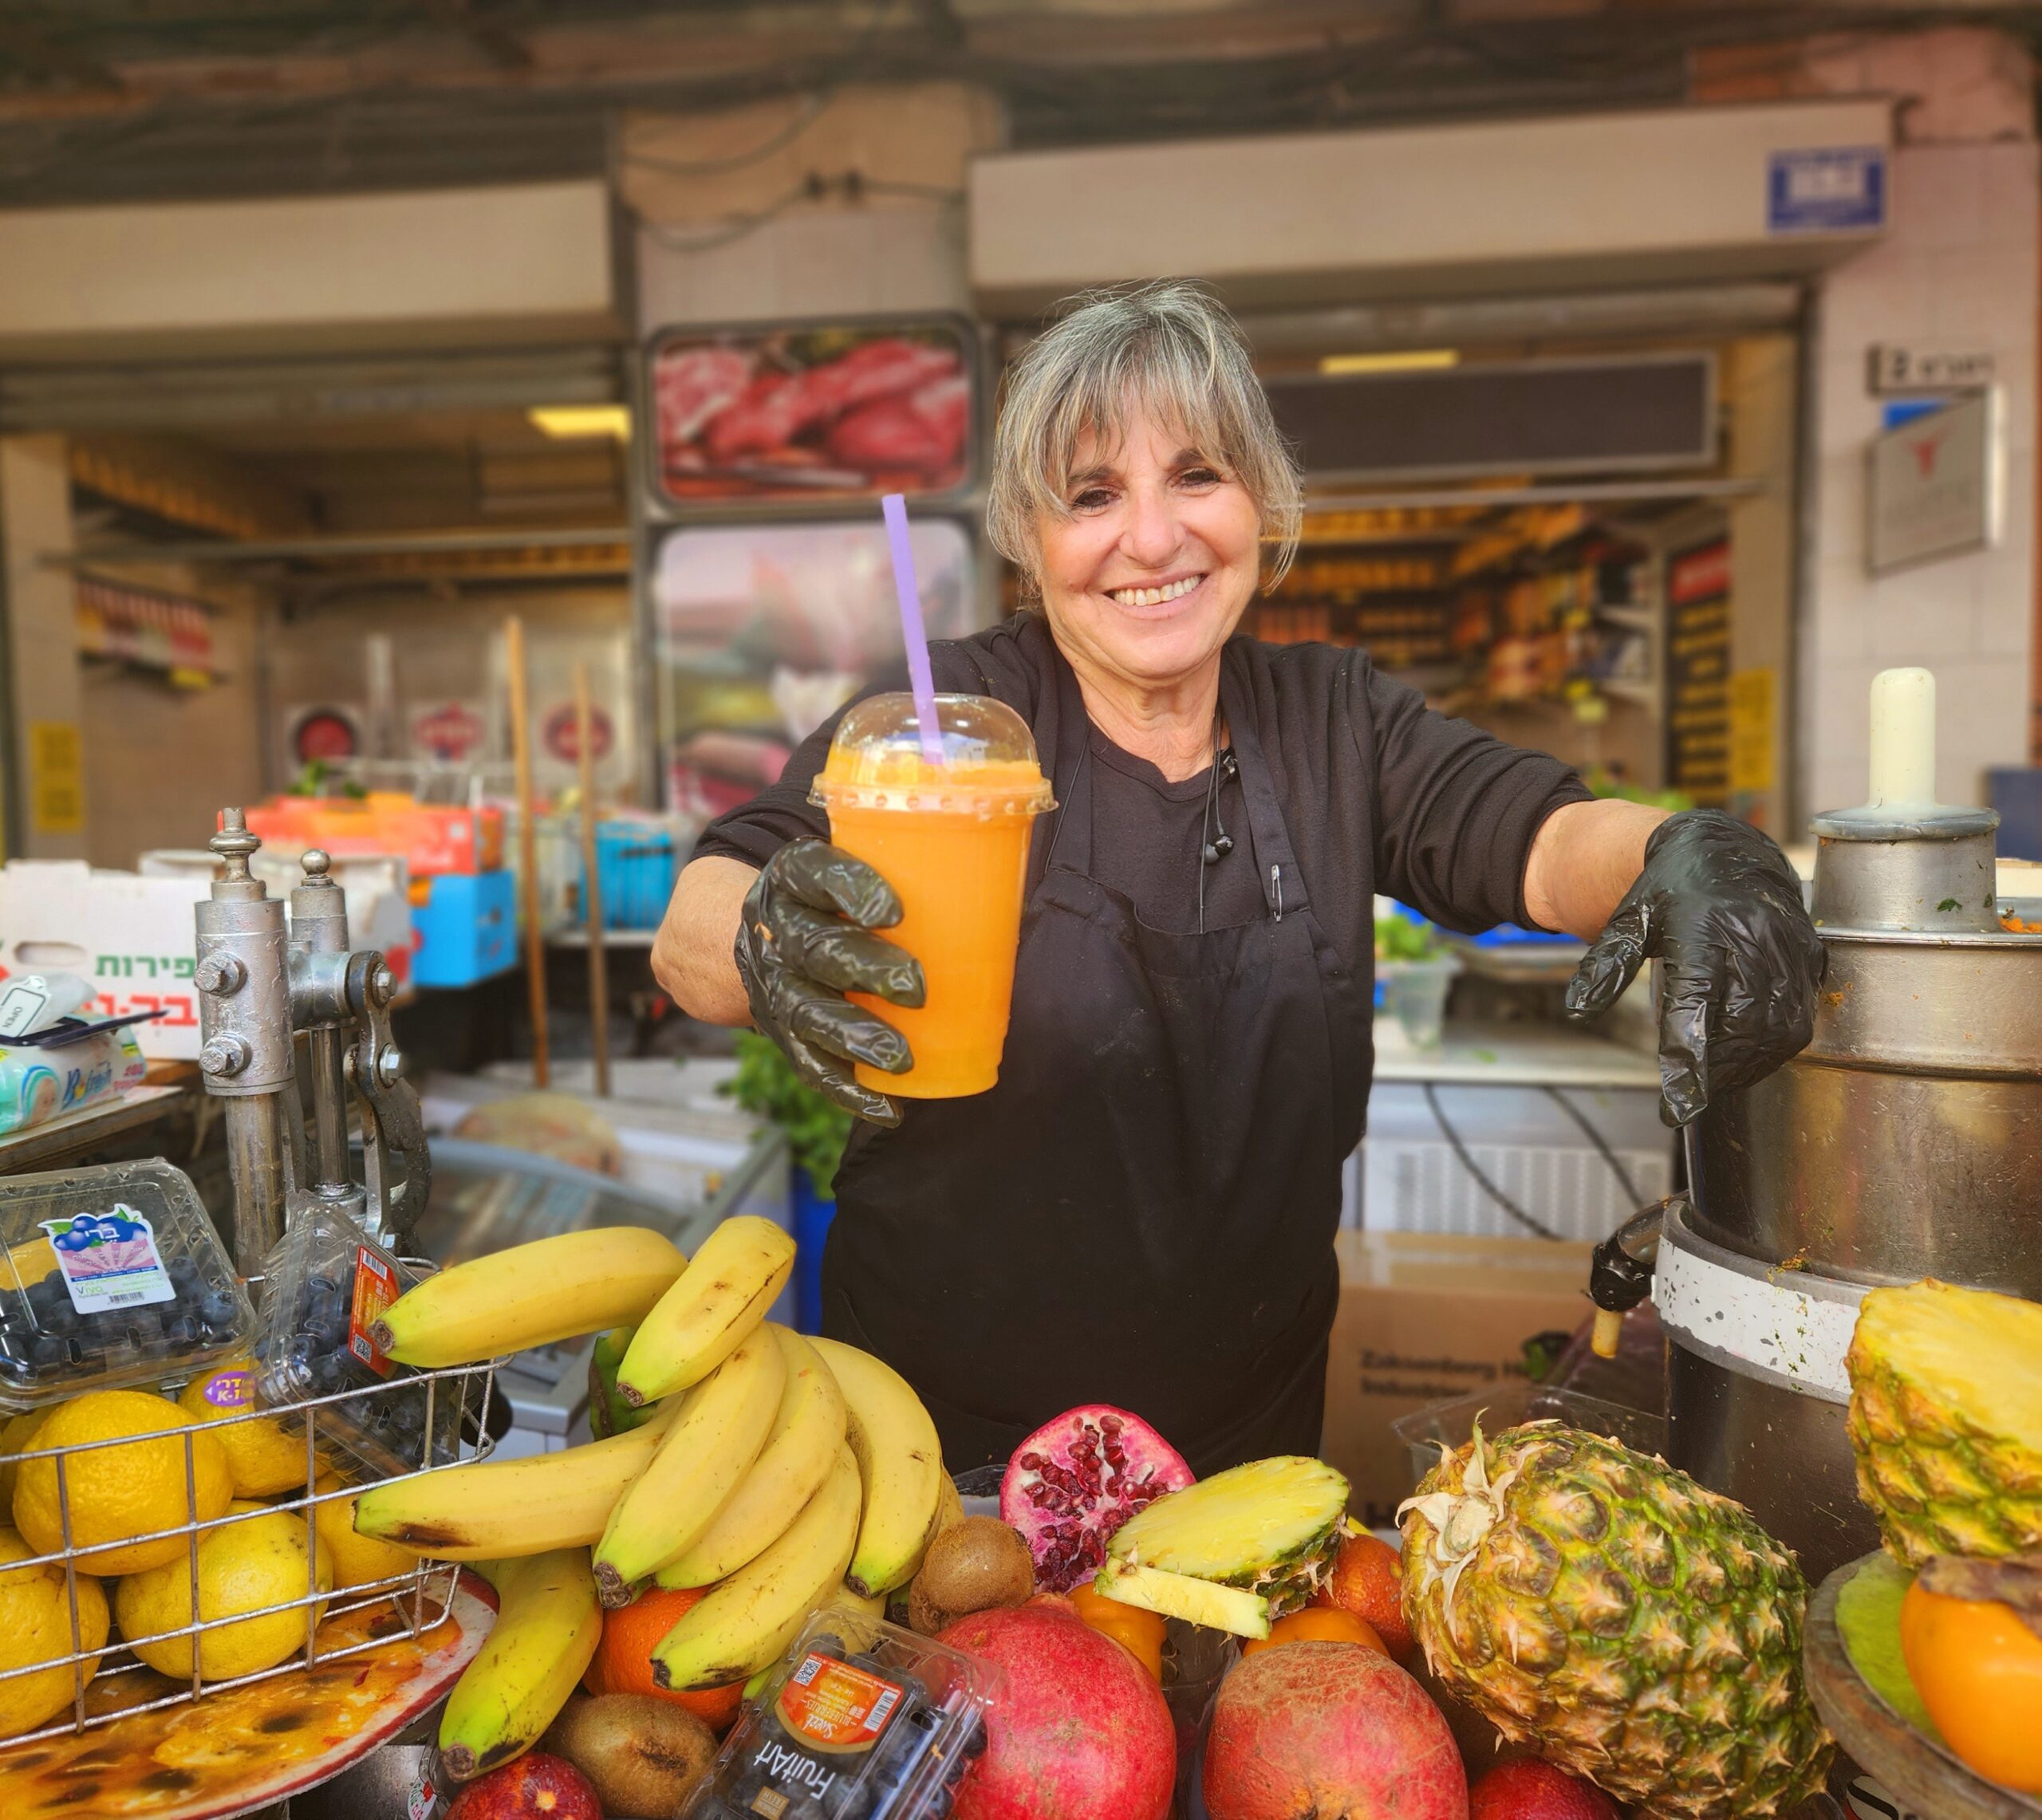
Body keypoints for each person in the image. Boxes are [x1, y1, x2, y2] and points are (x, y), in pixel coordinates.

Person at [653, 282, 1822, 1475]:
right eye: (1093, 495)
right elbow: (706, 905)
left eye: (1199, 476)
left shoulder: (1334, 721)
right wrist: (760, 932)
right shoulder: (943, 728)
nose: (1153, 539)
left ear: (1262, 501)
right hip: (937, 1456)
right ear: (1027, 534)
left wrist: (1681, 849)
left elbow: (1536, 835)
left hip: (1247, 1447)